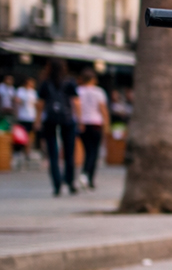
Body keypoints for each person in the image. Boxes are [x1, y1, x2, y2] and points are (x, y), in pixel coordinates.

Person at [37, 59, 80, 196]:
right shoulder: (69, 82)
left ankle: (56, 184)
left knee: (53, 153)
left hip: (50, 119)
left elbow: (40, 104)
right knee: (69, 152)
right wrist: (79, 119)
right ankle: (70, 181)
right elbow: (76, 102)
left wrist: (37, 121)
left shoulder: (45, 83)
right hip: (67, 119)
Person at [76, 70, 109, 189]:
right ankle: (88, 176)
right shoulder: (98, 92)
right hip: (95, 123)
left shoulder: (78, 91)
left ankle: (86, 175)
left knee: (87, 150)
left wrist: (79, 121)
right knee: (94, 152)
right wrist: (106, 123)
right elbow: (102, 108)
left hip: (83, 123)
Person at [15, 77, 39, 165]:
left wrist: (37, 119)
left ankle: (27, 153)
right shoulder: (21, 91)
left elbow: (36, 105)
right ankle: (20, 152)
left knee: (29, 136)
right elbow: (17, 101)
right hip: (22, 117)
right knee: (21, 136)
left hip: (31, 117)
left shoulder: (33, 92)